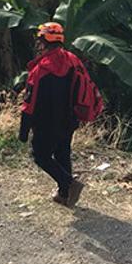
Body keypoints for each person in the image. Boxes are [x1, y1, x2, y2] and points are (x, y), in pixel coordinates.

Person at [19, 22, 102, 208]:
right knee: (62, 152)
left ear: (43, 42)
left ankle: (69, 184)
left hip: (45, 122)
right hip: (69, 119)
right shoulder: (73, 60)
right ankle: (64, 195)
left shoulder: (40, 70)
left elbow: (29, 104)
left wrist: (23, 131)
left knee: (40, 155)